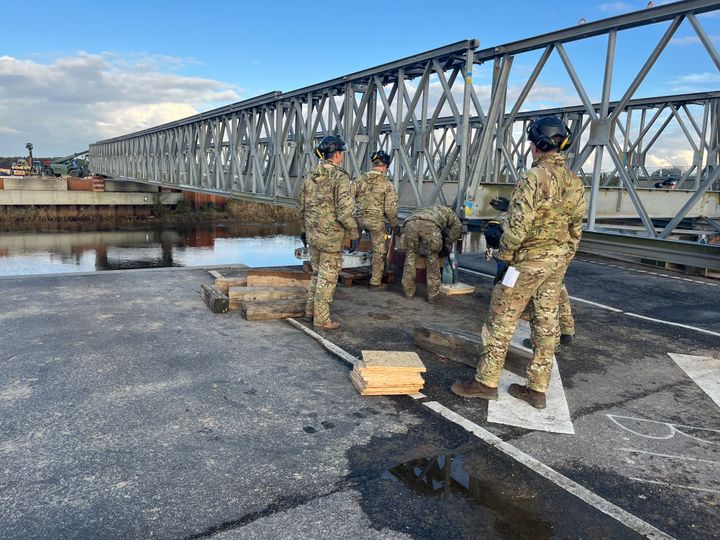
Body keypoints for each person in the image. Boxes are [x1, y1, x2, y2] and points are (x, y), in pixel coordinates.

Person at [451, 116, 586, 409]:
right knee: (546, 323)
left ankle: (485, 383)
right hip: (556, 262)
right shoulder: (575, 181)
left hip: (526, 262)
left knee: (501, 320)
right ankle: (536, 389)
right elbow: (576, 229)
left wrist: (506, 256)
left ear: (538, 144)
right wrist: (564, 257)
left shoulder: (533, 177)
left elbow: (518, 227)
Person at [486, 198, 576, 348]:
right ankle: (566, 331)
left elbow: (509, 253)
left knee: (541, 305)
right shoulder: (542, 208)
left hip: (535, 261)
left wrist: (503, 272)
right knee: (557, 293)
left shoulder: (509, 223)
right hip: (556, 256)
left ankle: (547, 342)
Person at [296, 135, 358, 330]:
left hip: (313, 236)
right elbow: (345, 212)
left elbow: (300, 207)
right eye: (342, 154)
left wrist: (304, 230)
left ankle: (310, 312)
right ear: (337, 155)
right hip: (331, 238)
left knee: (316, 275)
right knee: (328, 278)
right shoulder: (340, 177)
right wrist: (354, 233)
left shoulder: (310, 176)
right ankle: (322, 319)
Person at [354, 150, 399, 291]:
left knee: (359, 245)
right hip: (376, 221)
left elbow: (348, 197)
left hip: (360, 219)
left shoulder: (360, 179)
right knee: (379, 250)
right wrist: (394, 225)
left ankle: (358, 266)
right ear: (386, 166)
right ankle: (375, 282)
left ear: (373, 164)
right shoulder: (387, 185)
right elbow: (390, 209)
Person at [401, 205, 462, 303]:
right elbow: (458, 227)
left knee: (410, 257)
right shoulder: (450, 213)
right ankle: (432, 296)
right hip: (430, 225)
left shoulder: (425, 208)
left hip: (410, 223)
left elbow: (404, 230)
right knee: (432, 259)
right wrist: (448, 242)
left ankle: (408, 292)